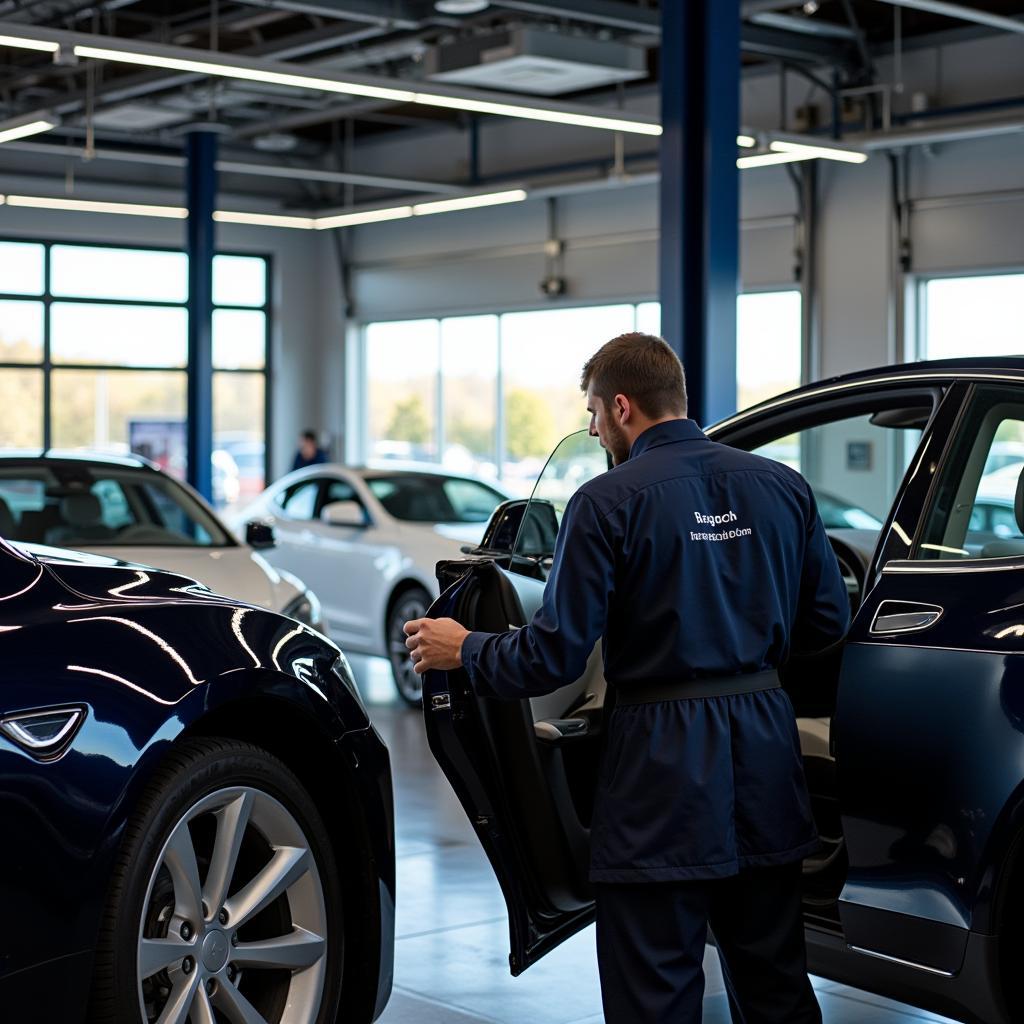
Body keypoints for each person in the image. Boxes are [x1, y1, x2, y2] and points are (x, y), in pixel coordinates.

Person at [404, 332, 850, 1024]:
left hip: (662, 777)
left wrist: (465, 649)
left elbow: (552, 658)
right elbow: (827, 622)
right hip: (767, 760)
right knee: (778, 990)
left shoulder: (605, 502)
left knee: (655, 994)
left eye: (591, 412)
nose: (590, 428)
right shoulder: (783, 487)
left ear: (621, 406)